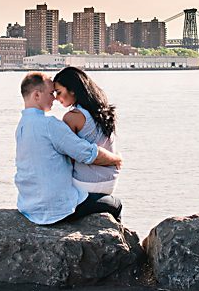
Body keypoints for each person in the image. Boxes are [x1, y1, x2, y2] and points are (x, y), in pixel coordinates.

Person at [15, 71, 124, 225]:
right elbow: (87, 154)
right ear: (37, 95)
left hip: (28, 205)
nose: (54, 97)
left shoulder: (22, 126)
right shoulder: (50, 125)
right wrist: (116, 159)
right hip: (57, 208)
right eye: (51, 93)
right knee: (116, 204)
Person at [52, 66, 120, 195]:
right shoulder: (103, 111)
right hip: (111, 181)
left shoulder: (73, 117)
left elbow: (69, 157)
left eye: (58, 92)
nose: (56, 98)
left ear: (72, 90)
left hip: (86, 184)